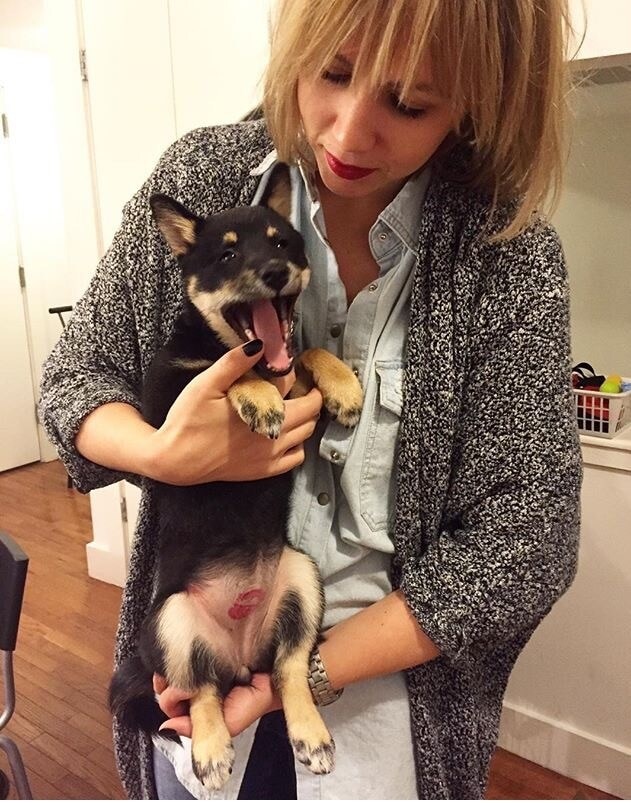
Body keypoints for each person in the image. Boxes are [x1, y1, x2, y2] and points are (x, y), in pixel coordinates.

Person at [39, 0, 583, 799]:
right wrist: (163, 453)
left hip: (387, 711)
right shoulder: (200, 180)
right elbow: (73, 379)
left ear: (479, 99)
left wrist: (310, 670)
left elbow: (530, 537)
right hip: (196, 681)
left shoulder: (507, 253)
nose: (348, 131)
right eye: (330, 71)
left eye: (409, 101)